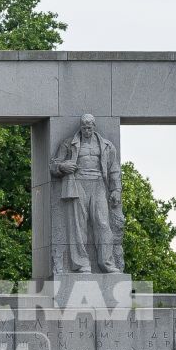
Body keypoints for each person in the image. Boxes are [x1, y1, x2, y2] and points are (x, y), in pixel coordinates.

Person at [50, 113, 123, 274]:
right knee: (79, 224)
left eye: (89, 127)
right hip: (77, 183)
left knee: (103, 224)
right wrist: (63, 167)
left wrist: (116, 190)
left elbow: (114, 170)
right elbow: (54, 165)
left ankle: (106, 263)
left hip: (98, 184)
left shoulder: (106, 145)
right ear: (80, 127)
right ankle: (82, 263)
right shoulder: (69, 144)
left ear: (94, 126)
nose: (87, 130)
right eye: (84, 127)